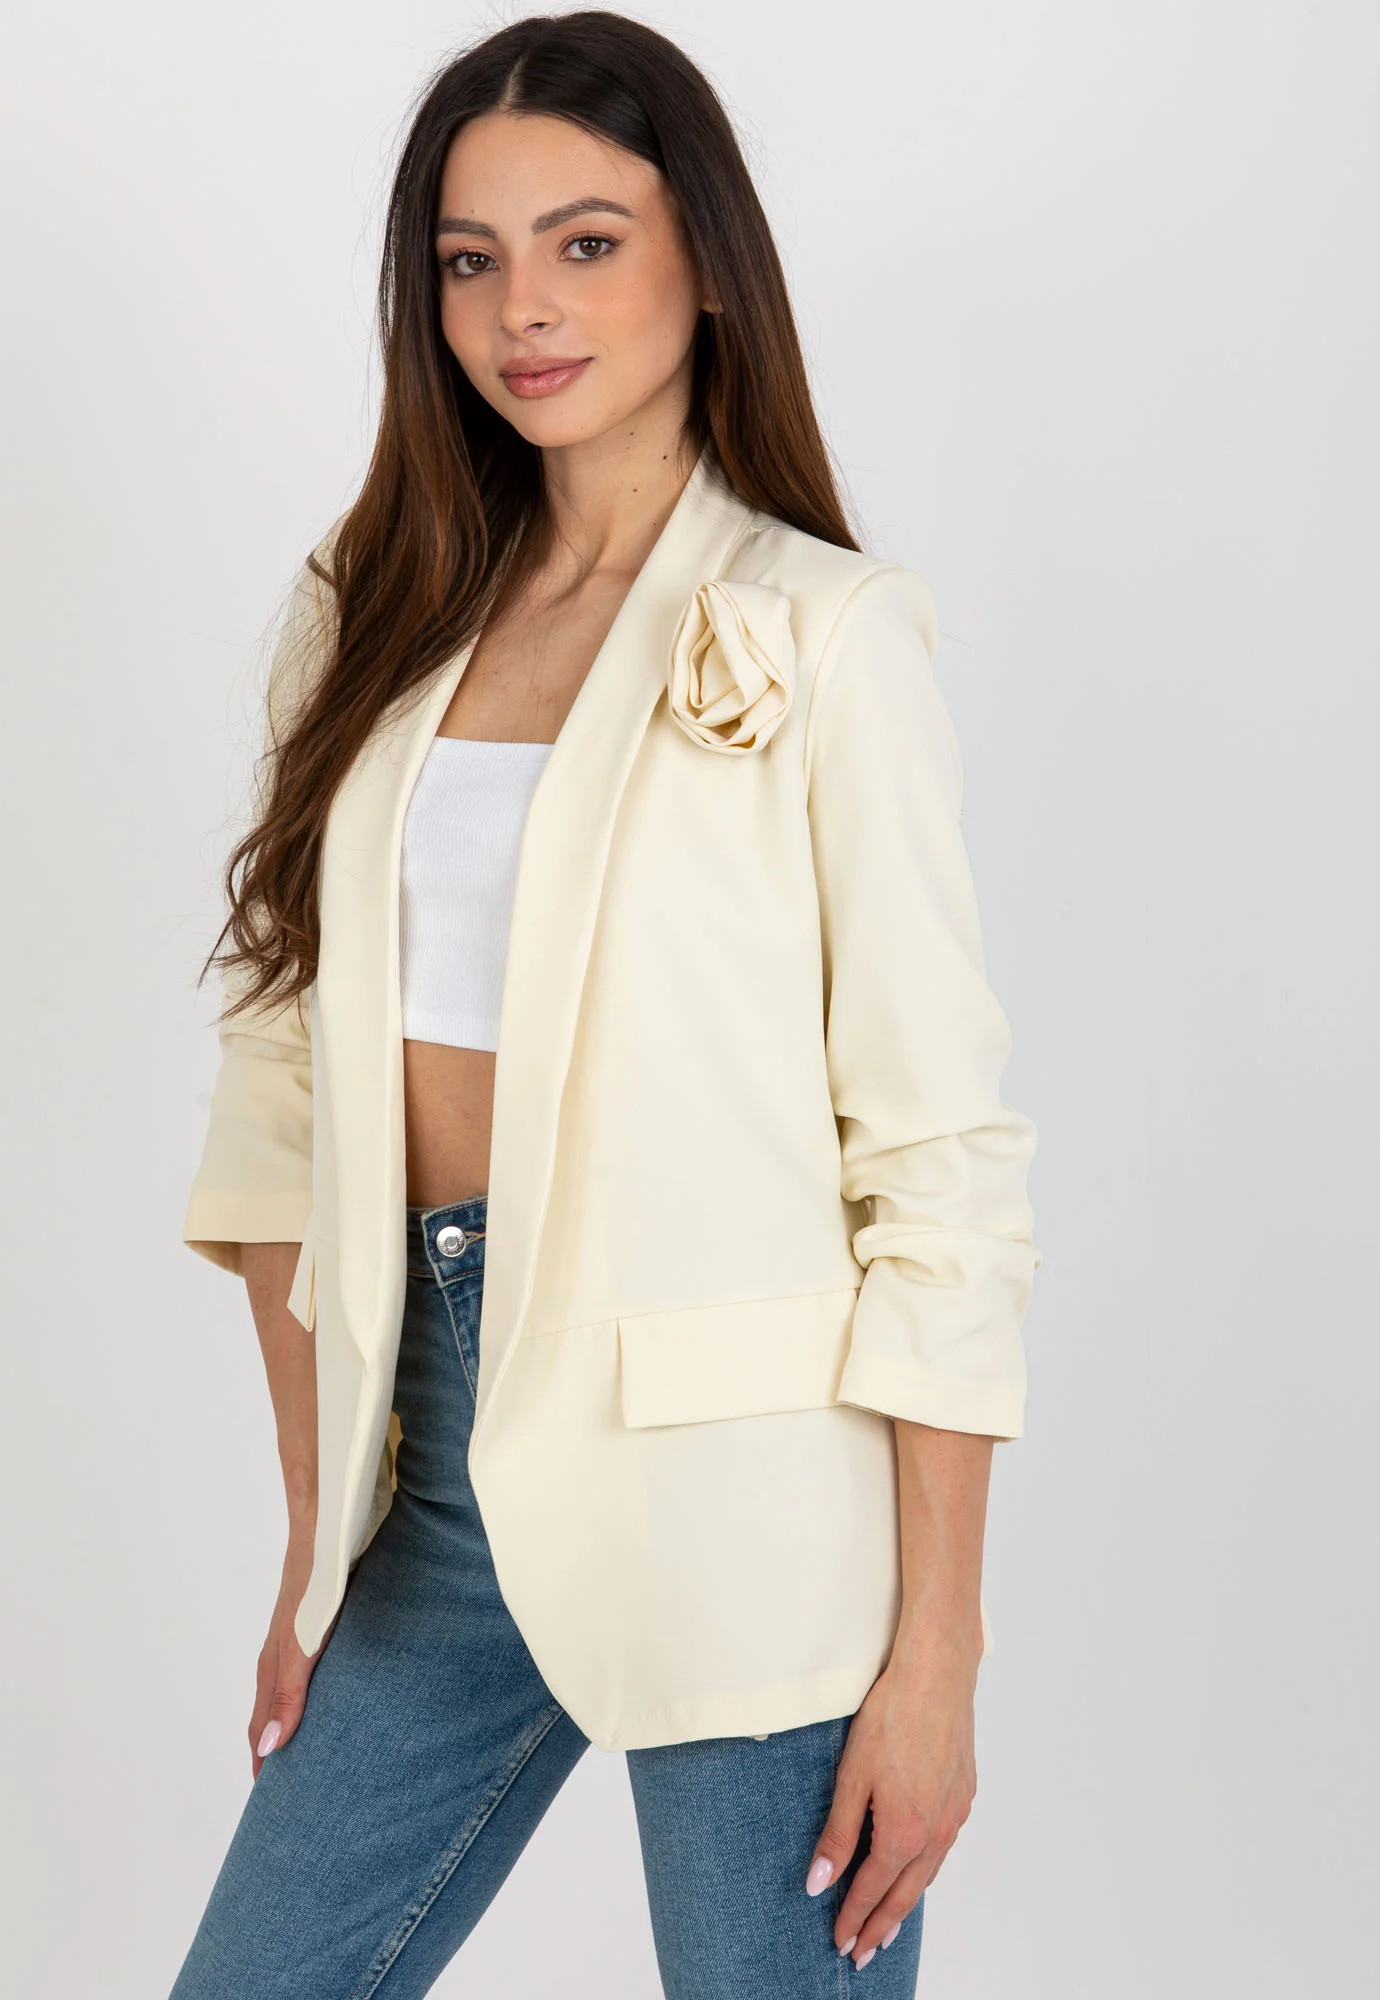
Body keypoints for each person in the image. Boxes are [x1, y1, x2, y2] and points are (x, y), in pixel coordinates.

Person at [169, 13, 1041, 1997]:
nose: (523, 311)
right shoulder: (370, 608)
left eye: (585, 243)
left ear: (703, 258)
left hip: (743, 1491)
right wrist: (316, 1537)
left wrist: (939, 1656)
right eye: (470, 260)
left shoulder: (823, 631)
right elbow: (284, 1091)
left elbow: (935, 1160)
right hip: (431, 1468)